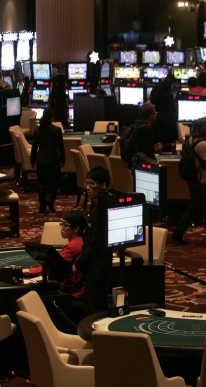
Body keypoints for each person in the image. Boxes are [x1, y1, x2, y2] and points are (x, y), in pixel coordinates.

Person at [173, 136, 206, 246]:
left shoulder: (190, 140)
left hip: (192, 179)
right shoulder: (203, 144)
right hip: (202, 180)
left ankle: (178, 233)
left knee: (194, 207)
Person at [76, 167, 113, 313]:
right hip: (99, 259)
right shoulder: (99, 201)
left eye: (91, 184)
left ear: (103, 184)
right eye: (86, 184)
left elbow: (96, 240)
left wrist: (80, 262)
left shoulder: (103, 204)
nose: (87, 188)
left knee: (96, 301)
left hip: (98, 261)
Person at [53, 212, 88, 323]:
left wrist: (29, 271)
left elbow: (53, 265)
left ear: (76, 228)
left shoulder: (72, 246)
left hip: (73, 293)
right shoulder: (83, 241)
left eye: (65, 225)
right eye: (61, 225)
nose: (62, 228)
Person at [31, 108, 65, 213]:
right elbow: (61, 147)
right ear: (52, 118)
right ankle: (50, 202)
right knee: (54, 183)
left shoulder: (37, 130)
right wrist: (63, 159)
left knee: (42, 184)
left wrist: (32, 160)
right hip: (53, 160)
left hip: (41, 160)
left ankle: (42, 205)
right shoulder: (57, 130)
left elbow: (34, 147)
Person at [121, 102, 162, 167]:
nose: (156, 114)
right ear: (150, 115)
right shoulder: (146, 129)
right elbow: (148, 155)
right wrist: (157, 149)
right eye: (154, 112)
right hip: (139, 168)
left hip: (129, 165)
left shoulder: (133, 126)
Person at [150, 75, 178, 147]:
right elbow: (172, 105)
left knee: (160, 139)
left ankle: (161, 151)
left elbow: (152, 100)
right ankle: (173, 151)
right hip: (169, 118)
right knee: (171, 141)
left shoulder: (157, 87)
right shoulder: (169, 92)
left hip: (158, 116)